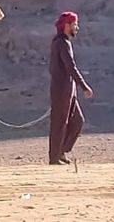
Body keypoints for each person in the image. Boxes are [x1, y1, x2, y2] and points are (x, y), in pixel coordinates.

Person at [48, 11, 93, 165]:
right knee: (59, 124)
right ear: (66, 26)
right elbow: (70, 68)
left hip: (69, 91)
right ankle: (54, 158)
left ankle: (61, 151)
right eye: (74, 24)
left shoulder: (64, 42)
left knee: (77, 121)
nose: (77, 27)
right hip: (61, 91)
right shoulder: (61, 43)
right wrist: (84, 86)